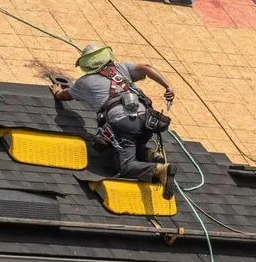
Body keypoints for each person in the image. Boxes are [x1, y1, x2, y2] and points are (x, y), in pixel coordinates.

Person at [50, 43, 176, 196]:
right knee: (136, 145)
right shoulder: (121, 69)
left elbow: (64, 96)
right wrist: (168, 86)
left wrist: (57, 91)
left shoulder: (84, 82)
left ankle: (159, 169)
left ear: (87, 65)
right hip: (147, 119)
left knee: (125, 167)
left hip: (123, 122)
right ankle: (152, 156)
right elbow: (146, 68)